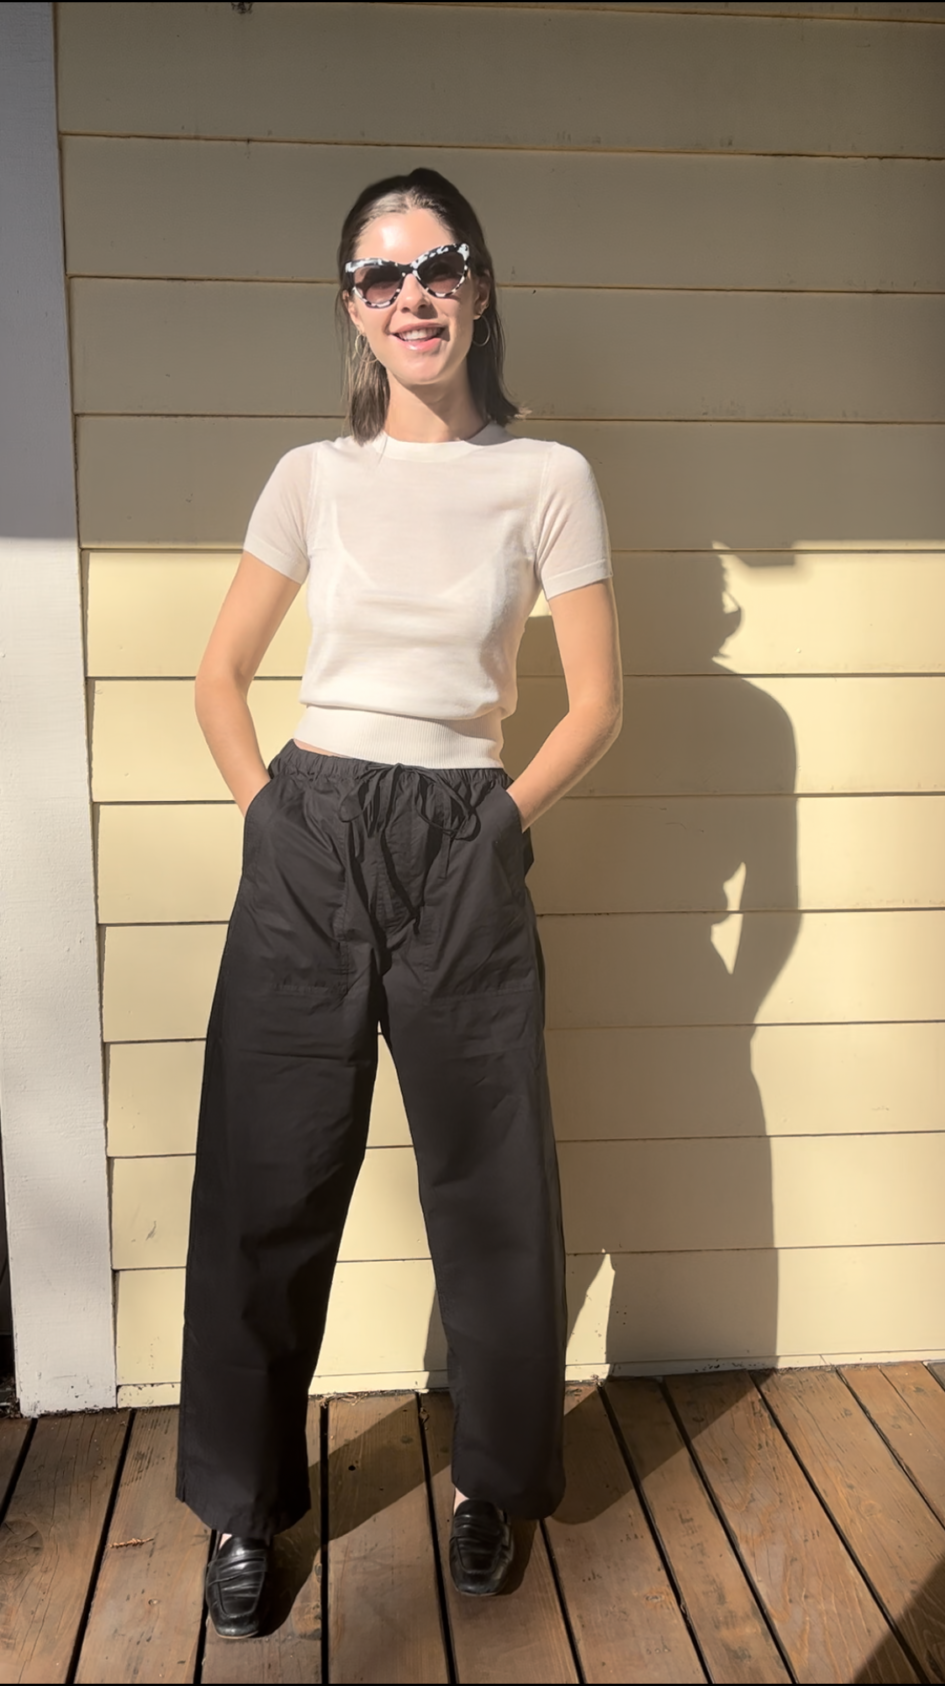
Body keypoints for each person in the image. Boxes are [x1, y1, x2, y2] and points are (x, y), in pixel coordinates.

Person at [175, 168, 622, 1638]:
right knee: (268, 1177)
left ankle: (491, 1478)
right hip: (310, 829)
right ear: (353, 312)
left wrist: (497, 824)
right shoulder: (315, 476)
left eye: (437, 267)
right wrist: (273, 821)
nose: (411, 295)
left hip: (462, 841)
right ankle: (245, 1503)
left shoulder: (546, 475)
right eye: (379, 277)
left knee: (491, 1184)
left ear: (479, 289)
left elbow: (600, 704)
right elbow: (219, 677)